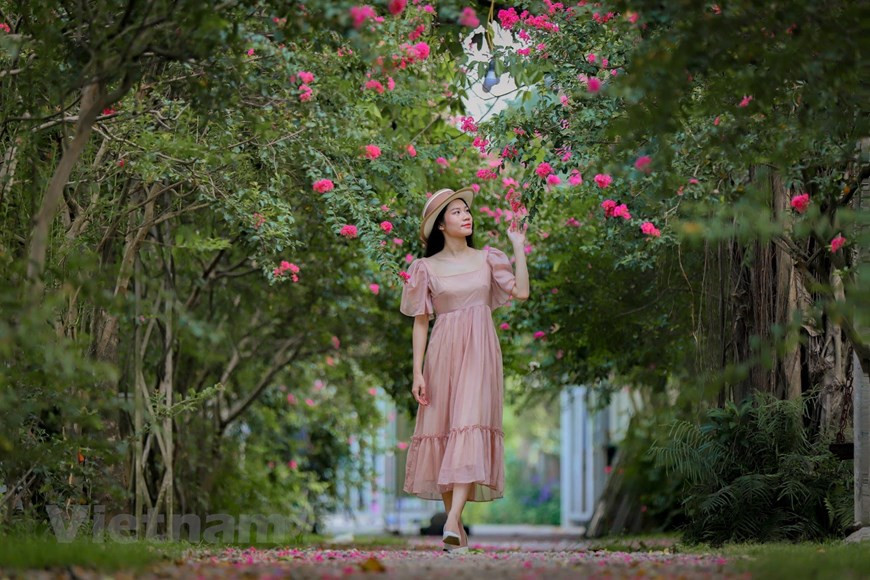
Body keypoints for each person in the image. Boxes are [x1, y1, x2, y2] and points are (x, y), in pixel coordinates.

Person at [399, 186, 530, 553]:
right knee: (443, 432)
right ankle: (455, 534)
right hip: (441, 353)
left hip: (481, 352)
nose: (465, 216)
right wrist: (417, 372)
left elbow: (520, 292)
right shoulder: (425, 268)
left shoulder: (489, 258)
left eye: (465, 211)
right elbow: (421, 322)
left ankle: (453, 519)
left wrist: (518, 244)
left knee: (468, 426)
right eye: (456, 212)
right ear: (440, 225)